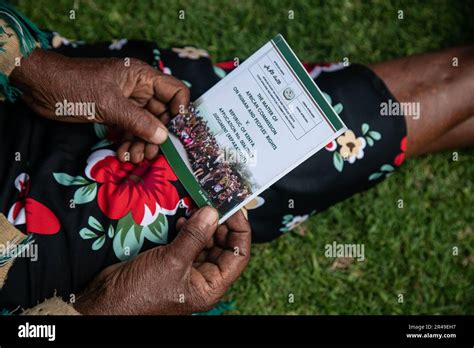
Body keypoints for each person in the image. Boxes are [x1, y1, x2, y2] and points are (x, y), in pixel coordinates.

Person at [0, 2, 472, 314]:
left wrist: (28, 66)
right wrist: (98, 311)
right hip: (39, 259)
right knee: (288, 158)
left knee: (188, 94)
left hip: (26, 111)